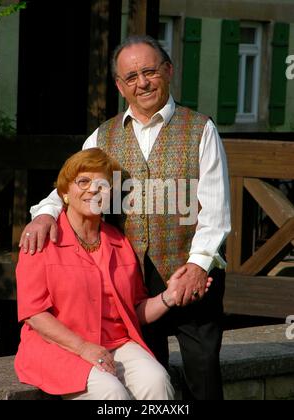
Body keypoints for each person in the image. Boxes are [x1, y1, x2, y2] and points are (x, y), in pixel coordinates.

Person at [19, 35, 231, 400]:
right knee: (152, 372)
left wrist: (198, 267)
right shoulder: (103, 134)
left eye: (150, 71)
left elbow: (216, 212)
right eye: (131, 77)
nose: (142, 83)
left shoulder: (200, 129)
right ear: (120, 85)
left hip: (190, 270)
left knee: (203, 372)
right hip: (128, 278)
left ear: (168, 70)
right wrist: (45, 214)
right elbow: (73, 183)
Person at [16, 147, 201, 400]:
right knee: (111, 393)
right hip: (58, 347)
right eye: (83, 181)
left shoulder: (120, 243)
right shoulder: (41, 239)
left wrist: (170, 295)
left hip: (115, 344)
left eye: (102, 184)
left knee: (156, 381)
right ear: (65, 193)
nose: (93, 189)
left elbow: (133, 310)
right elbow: (34, 314)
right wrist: (83, 348)